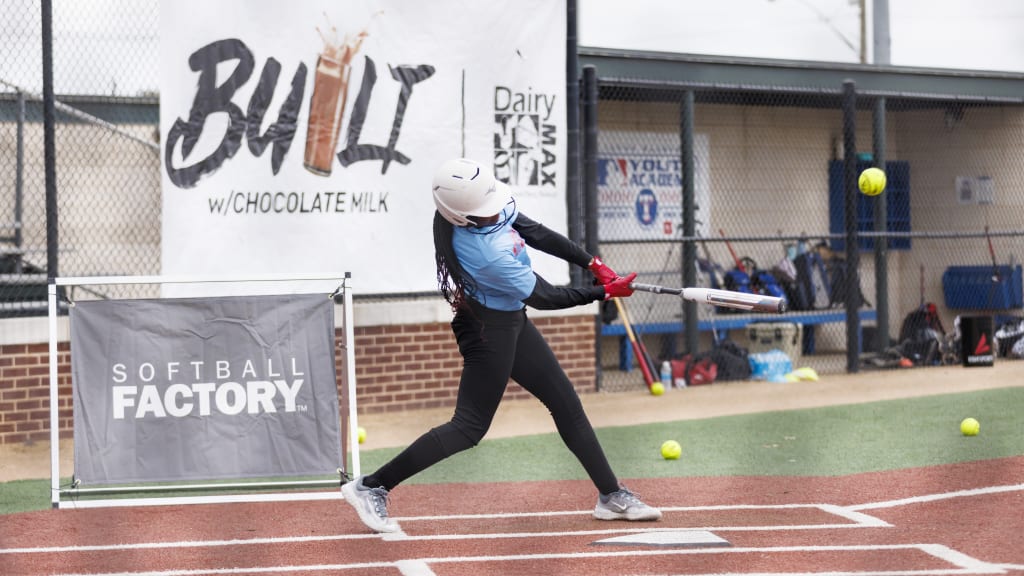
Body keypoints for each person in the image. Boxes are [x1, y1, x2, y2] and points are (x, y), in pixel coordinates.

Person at [341, 158, 662, 533]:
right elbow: (546, 296)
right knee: (468, 428)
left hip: (510, 320)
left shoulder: (483, 204)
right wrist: (603, 292)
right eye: (485, 214)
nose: (495, 215)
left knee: (565, 402)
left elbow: (533, 230)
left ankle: (611, 496)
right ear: (461, 217)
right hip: (487, 330)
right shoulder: (486, 255)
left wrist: (592, 262)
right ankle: (372, 486)